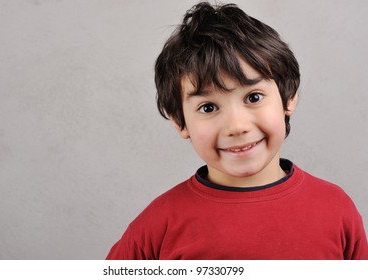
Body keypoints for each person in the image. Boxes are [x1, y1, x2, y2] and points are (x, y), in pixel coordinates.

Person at [106, 2, 368, 259]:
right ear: (179, 122)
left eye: (253, 97)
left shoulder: (335, 209)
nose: (236, 126)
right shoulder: (160, 225)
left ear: (288, 98)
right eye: (208, 108)